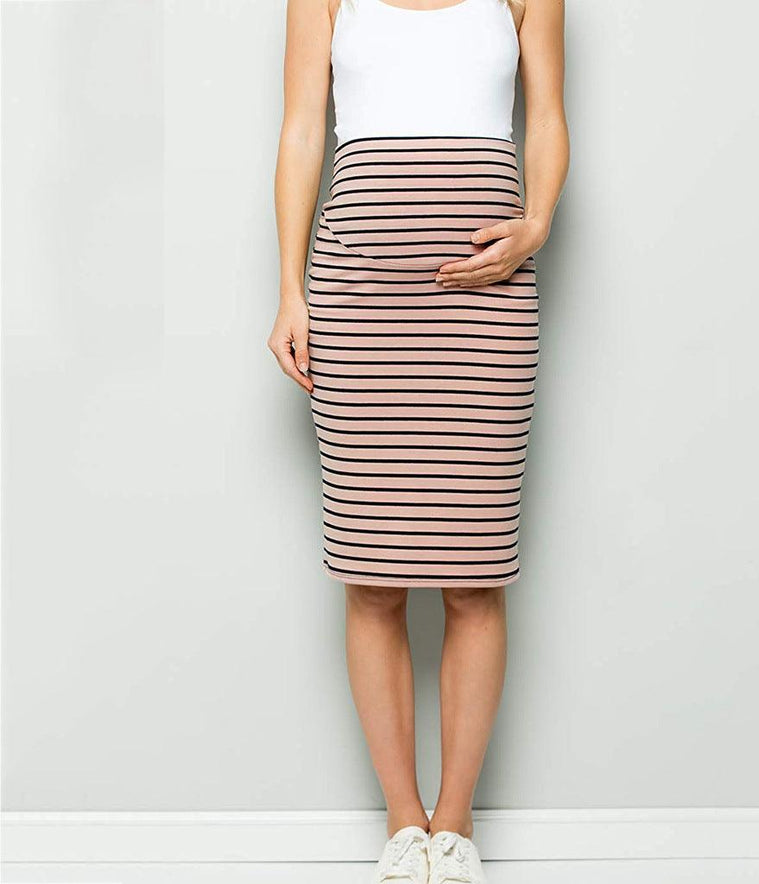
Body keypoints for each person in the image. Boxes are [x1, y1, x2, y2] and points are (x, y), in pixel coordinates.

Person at [269, 1, 568, 880]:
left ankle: (456, 822)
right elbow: (301, 131)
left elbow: (547, 117)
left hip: (488, 296)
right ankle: (405, 820)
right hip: (358, 297)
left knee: (476, 574)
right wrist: (290, 292)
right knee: (372, 577)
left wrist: (537, 224)